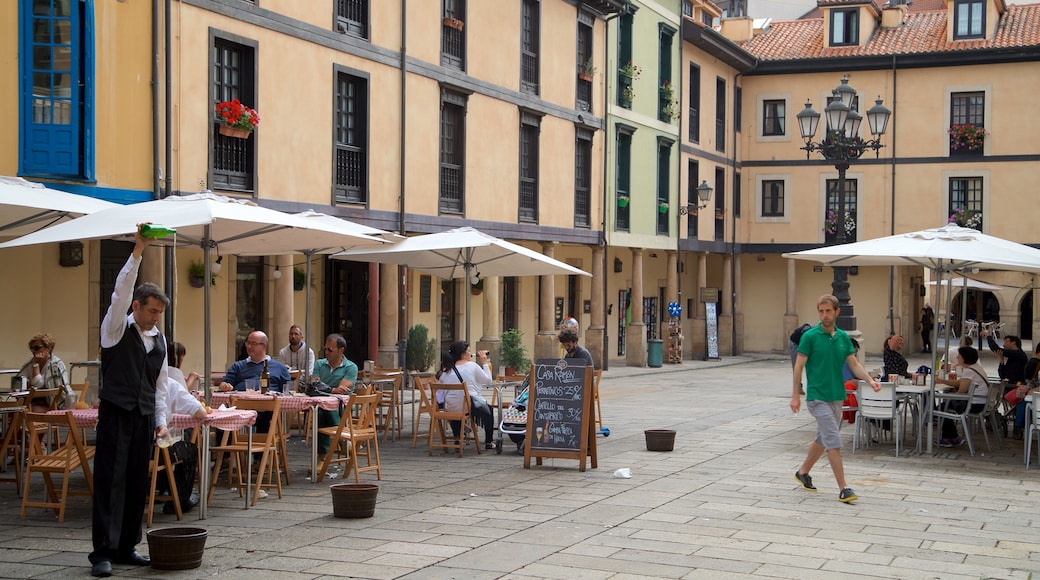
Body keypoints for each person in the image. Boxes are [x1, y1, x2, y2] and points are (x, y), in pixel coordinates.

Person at [90, 226, 169, 577]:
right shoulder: (115, 328)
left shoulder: (160, 340)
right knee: (110, 480)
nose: (154, 317)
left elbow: (161, 385)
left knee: (137, 481)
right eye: (150, 311)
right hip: (116, 412)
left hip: (144, 416)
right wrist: (138, 251)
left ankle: (127, 546)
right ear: (137, 306)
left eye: (158, 313)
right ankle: (102, 552)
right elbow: (120, 292)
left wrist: (161, 420)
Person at [791, 294, 880, 504]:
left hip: (837, 396)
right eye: (821, 311)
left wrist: (869, 380)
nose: (824, 315)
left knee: (823, 437)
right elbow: (798, 366)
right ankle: (844, 488)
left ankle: (803, 472)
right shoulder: (810, 336)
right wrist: (796, 395)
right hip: (817, 397)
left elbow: (854, 364)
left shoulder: (842, 338)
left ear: (836, 312)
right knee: (833, 440)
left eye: (828, 311)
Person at [154, 341, 207, 515]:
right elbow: (200, 412)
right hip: (158, 450)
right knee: (189, 449)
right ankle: (180, 500)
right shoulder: (170, 382)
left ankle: (156, 487)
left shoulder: (129, 381)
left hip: (132, 449)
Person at [218, 330, 291, 435]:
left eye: (254, 344)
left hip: (267, 409)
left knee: (266, 419)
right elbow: (225, 382)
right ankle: (226, 451)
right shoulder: (238, 366)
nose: (249, 346)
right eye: (248, 343)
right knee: (222, 420)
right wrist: (224, 385)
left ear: (264, 346)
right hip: (241, 408)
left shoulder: (279, 367)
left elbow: (287, 389)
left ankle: (262, 450)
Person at [436, 341, 495, 449]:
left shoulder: (446, 370)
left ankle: (457, 438)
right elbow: (488, 381)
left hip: (450, 408)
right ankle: (488, 442)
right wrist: (484, 363)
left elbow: (440, 390)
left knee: (455, 404)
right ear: (463, 355)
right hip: (468, 406)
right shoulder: (472, 366)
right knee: (489, 410)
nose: (470, 353)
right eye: (469, 351)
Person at [933, 346, 988, 447]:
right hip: (982, 402)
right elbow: (960, 382)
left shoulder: (969, 371)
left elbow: (961, 391)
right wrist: (943, 381)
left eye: (959, 356)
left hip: (974, 404)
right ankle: (952, 437)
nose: (957, 357)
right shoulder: (976, 367)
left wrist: (949, 396)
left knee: (942, 407)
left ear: (964, 358)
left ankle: (949, 438)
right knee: (946, 404)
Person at [312, 334, 358, 455]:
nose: (326, 352)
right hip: (321, 404)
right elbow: (315, 385)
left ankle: (322, 456)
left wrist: (325, 388)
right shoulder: (319, 364)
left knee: (321, 414)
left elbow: (342, 389)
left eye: (330, 350)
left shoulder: (351, 367)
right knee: (320, 412)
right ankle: (341, 438)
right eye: (325, 349)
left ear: (341, 350)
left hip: (341, 407)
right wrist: (332, 390)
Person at [17, 333, 72, 411]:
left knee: (20, 412)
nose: (33, 351)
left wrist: (35, 366)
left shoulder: (56, 365)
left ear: (48, 348)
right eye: (31, 348)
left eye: (37, 348)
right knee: (13, 411)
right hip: (32, 401)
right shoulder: (30, 362)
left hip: (52, 404)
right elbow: (19, 380)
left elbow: (37, 385)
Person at [790, 322, 811, 395]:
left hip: (804, 343)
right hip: (795, 342)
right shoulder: (811, 332)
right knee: (797, 365)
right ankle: (798, 388)